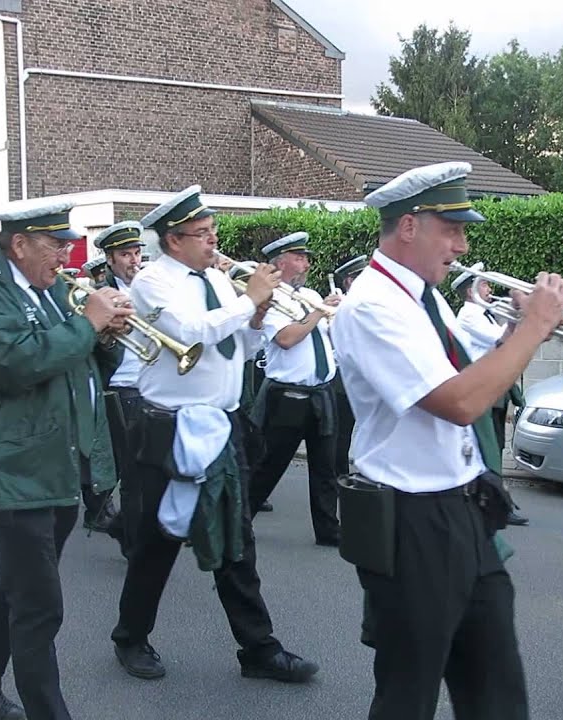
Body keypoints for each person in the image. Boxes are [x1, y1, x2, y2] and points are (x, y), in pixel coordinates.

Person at [331, 161, 563, 720]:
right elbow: (460, 402)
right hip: (411, 518)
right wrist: (535, 327)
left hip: (463, 506)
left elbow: (471, 374)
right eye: (452, 229)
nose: (462, 246)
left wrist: (515, 332)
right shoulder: (372, 305)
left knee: (497, 691)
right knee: (407, 697)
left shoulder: (424, 296)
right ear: (408, 226)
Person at [110, 185, 318, 684]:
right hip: (170, 426)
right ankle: (130, 637)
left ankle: (259, 648)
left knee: (236, 539)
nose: (213, 241)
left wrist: (258, 316)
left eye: (212, 231)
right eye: (202, 233)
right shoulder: (152, 282)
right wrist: (248, 302)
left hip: (223, 425)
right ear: (173, 240)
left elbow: (240, 348)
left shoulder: (220, 282)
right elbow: (190, 332)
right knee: (158, 539)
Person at [0, 200, 129, 720]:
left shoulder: (49, 292)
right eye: (55, 245)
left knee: (18, 583)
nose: (66, 256)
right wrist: (88, 324)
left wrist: (106, 335)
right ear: (20, 244)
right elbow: (18, 364)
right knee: (39, 606)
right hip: (11, 467)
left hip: (55, 463)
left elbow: (75, 363)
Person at [245, 232, 342, 545]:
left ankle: (328, 530)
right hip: (288, 395)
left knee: (325, 468)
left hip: (321, 392)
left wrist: (336, 317)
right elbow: (286, 339)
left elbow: (327, 336)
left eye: (306, 258)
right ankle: (237, 522)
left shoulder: (311, 294)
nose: (307, 264)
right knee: (268, 466)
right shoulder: (271, 297)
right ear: (281, 262)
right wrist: (319, 312)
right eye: (300, 258)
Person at [451, 262, 530, 526]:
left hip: (494, 386)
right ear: (470, 290)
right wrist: (528, 319)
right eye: (484, 284)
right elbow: (502, 341)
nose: (489, 289)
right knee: (490, 445)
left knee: (497, 443)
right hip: (482, 386)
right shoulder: (469, 315)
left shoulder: (484, 314)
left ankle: (498, 498)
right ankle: (495, 502)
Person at [91, 221, 146, 553]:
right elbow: (95, 347)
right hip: (121, 387)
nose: (134, 260)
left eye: (137, 253)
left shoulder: (151, 286)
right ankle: (132, 541)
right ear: (110, 259)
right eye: (125, 254)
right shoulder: (99, 295)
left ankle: (119, 524)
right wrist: (109, 332)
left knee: (152, 469)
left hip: (153, 387)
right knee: (132, 471)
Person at [330, 254, 366, 480]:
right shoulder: (342, 305)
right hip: (342, 378)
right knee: (341, 434)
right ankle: (339, 476)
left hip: (364, 376)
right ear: (349, 281)